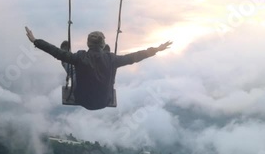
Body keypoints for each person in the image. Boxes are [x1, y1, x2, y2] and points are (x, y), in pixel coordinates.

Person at [25, 26, 172, 110]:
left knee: (69, 64)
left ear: (88, 44)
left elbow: (55, 52)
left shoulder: (80, 57)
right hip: (103, 101)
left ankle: (68, 52)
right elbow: (135, 57)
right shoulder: (112, 59)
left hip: (82, 99)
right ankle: (100, 53)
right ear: (102, 45)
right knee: (110, 65)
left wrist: (35, 41)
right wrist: (156, 49)